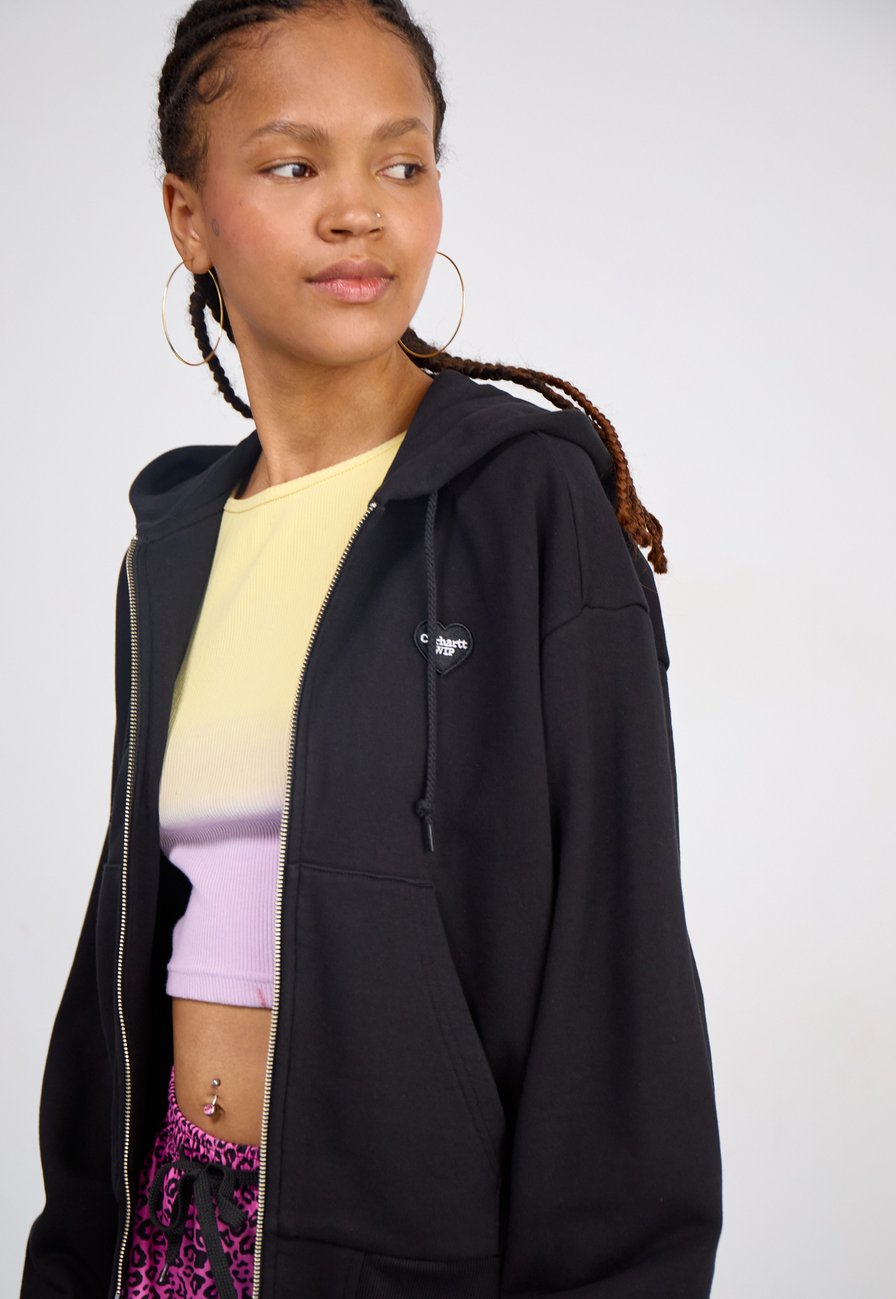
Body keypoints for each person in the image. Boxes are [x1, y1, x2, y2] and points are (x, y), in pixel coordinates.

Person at [20, 2, 723, 1297]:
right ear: (188, 216)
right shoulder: (175, 545)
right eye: (295, 165)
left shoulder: (529, 505)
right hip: (170, 1230)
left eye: (402, 164)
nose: (360, 212)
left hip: (413, 1261)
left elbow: (618, 979)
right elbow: (128, 937)